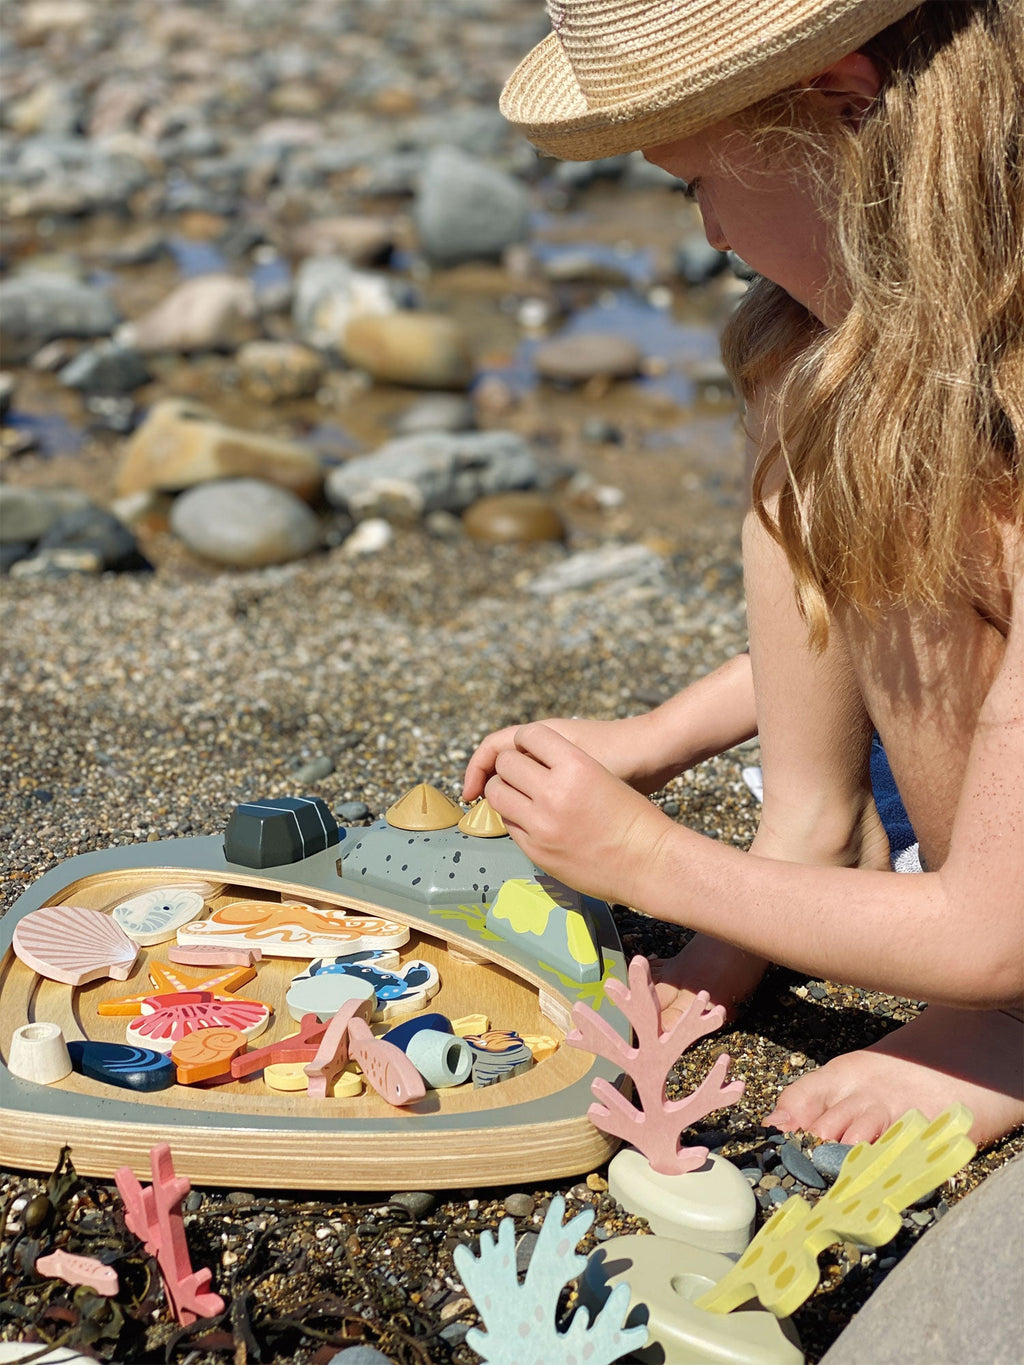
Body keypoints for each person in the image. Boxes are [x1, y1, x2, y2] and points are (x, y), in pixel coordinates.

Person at [463, 0, 1024, 1147]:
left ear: (841, 99)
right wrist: (668, 730)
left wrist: (648, 860)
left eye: (694, 185)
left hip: (1001, 929)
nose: (709, 233)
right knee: (819, 375)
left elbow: (996, 927)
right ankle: (810, 841)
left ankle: (1004, 1024)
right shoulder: (941, 335)